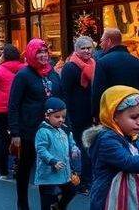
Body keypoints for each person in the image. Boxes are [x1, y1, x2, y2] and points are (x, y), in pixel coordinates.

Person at [8, 38, 64, 210]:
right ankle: (22, 203)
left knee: (47, 168)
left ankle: (47, 205)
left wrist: (63, 123)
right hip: (29, 130)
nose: (43, 55)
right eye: (39, 52)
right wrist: (15, 133)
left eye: (45, 52)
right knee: (25, 167)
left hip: (50, 130)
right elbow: (14, 104)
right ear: (31, 54)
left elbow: (60, 100)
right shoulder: (23, 75)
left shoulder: (53, 74)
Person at [59, 36, 97, 190]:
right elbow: (65, 92)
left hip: (89, 112)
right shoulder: (70, 67)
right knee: (79, 146)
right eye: (83, 48)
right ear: (77, 50)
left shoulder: (94, 64)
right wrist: (65, 115)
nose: (87, 51)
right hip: (74, 113)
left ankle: (87, 178)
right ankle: (80, 179)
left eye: (89, 48)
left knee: (88, 145)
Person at [34, 98, 80, 210]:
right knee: (47, 200)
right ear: (47, 116)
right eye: (57, 117)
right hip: (48, 173)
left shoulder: (64, 130)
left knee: (72, 190)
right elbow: (41, 150)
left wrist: (74, 149)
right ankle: (53, 206)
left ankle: (59, 206)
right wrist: (52, 161)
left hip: (64, 172)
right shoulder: (43, 131)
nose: (61, 120)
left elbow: (71, 142)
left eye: (63, 117)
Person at [90, 28, 139, 122]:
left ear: (109, 41)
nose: (101, 44)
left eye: (102, 41)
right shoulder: (137, 62)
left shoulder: (103, 62)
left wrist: (96, 113)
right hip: (134, 111)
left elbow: (98, 91)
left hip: (112, 112)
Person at [0, 44, 24, 180]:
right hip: (19, 108)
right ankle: (19, 167)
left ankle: (3, 171)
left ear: (5, 56)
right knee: (19, 137)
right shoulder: (24, 69)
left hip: (1, 108)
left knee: (3, 138)